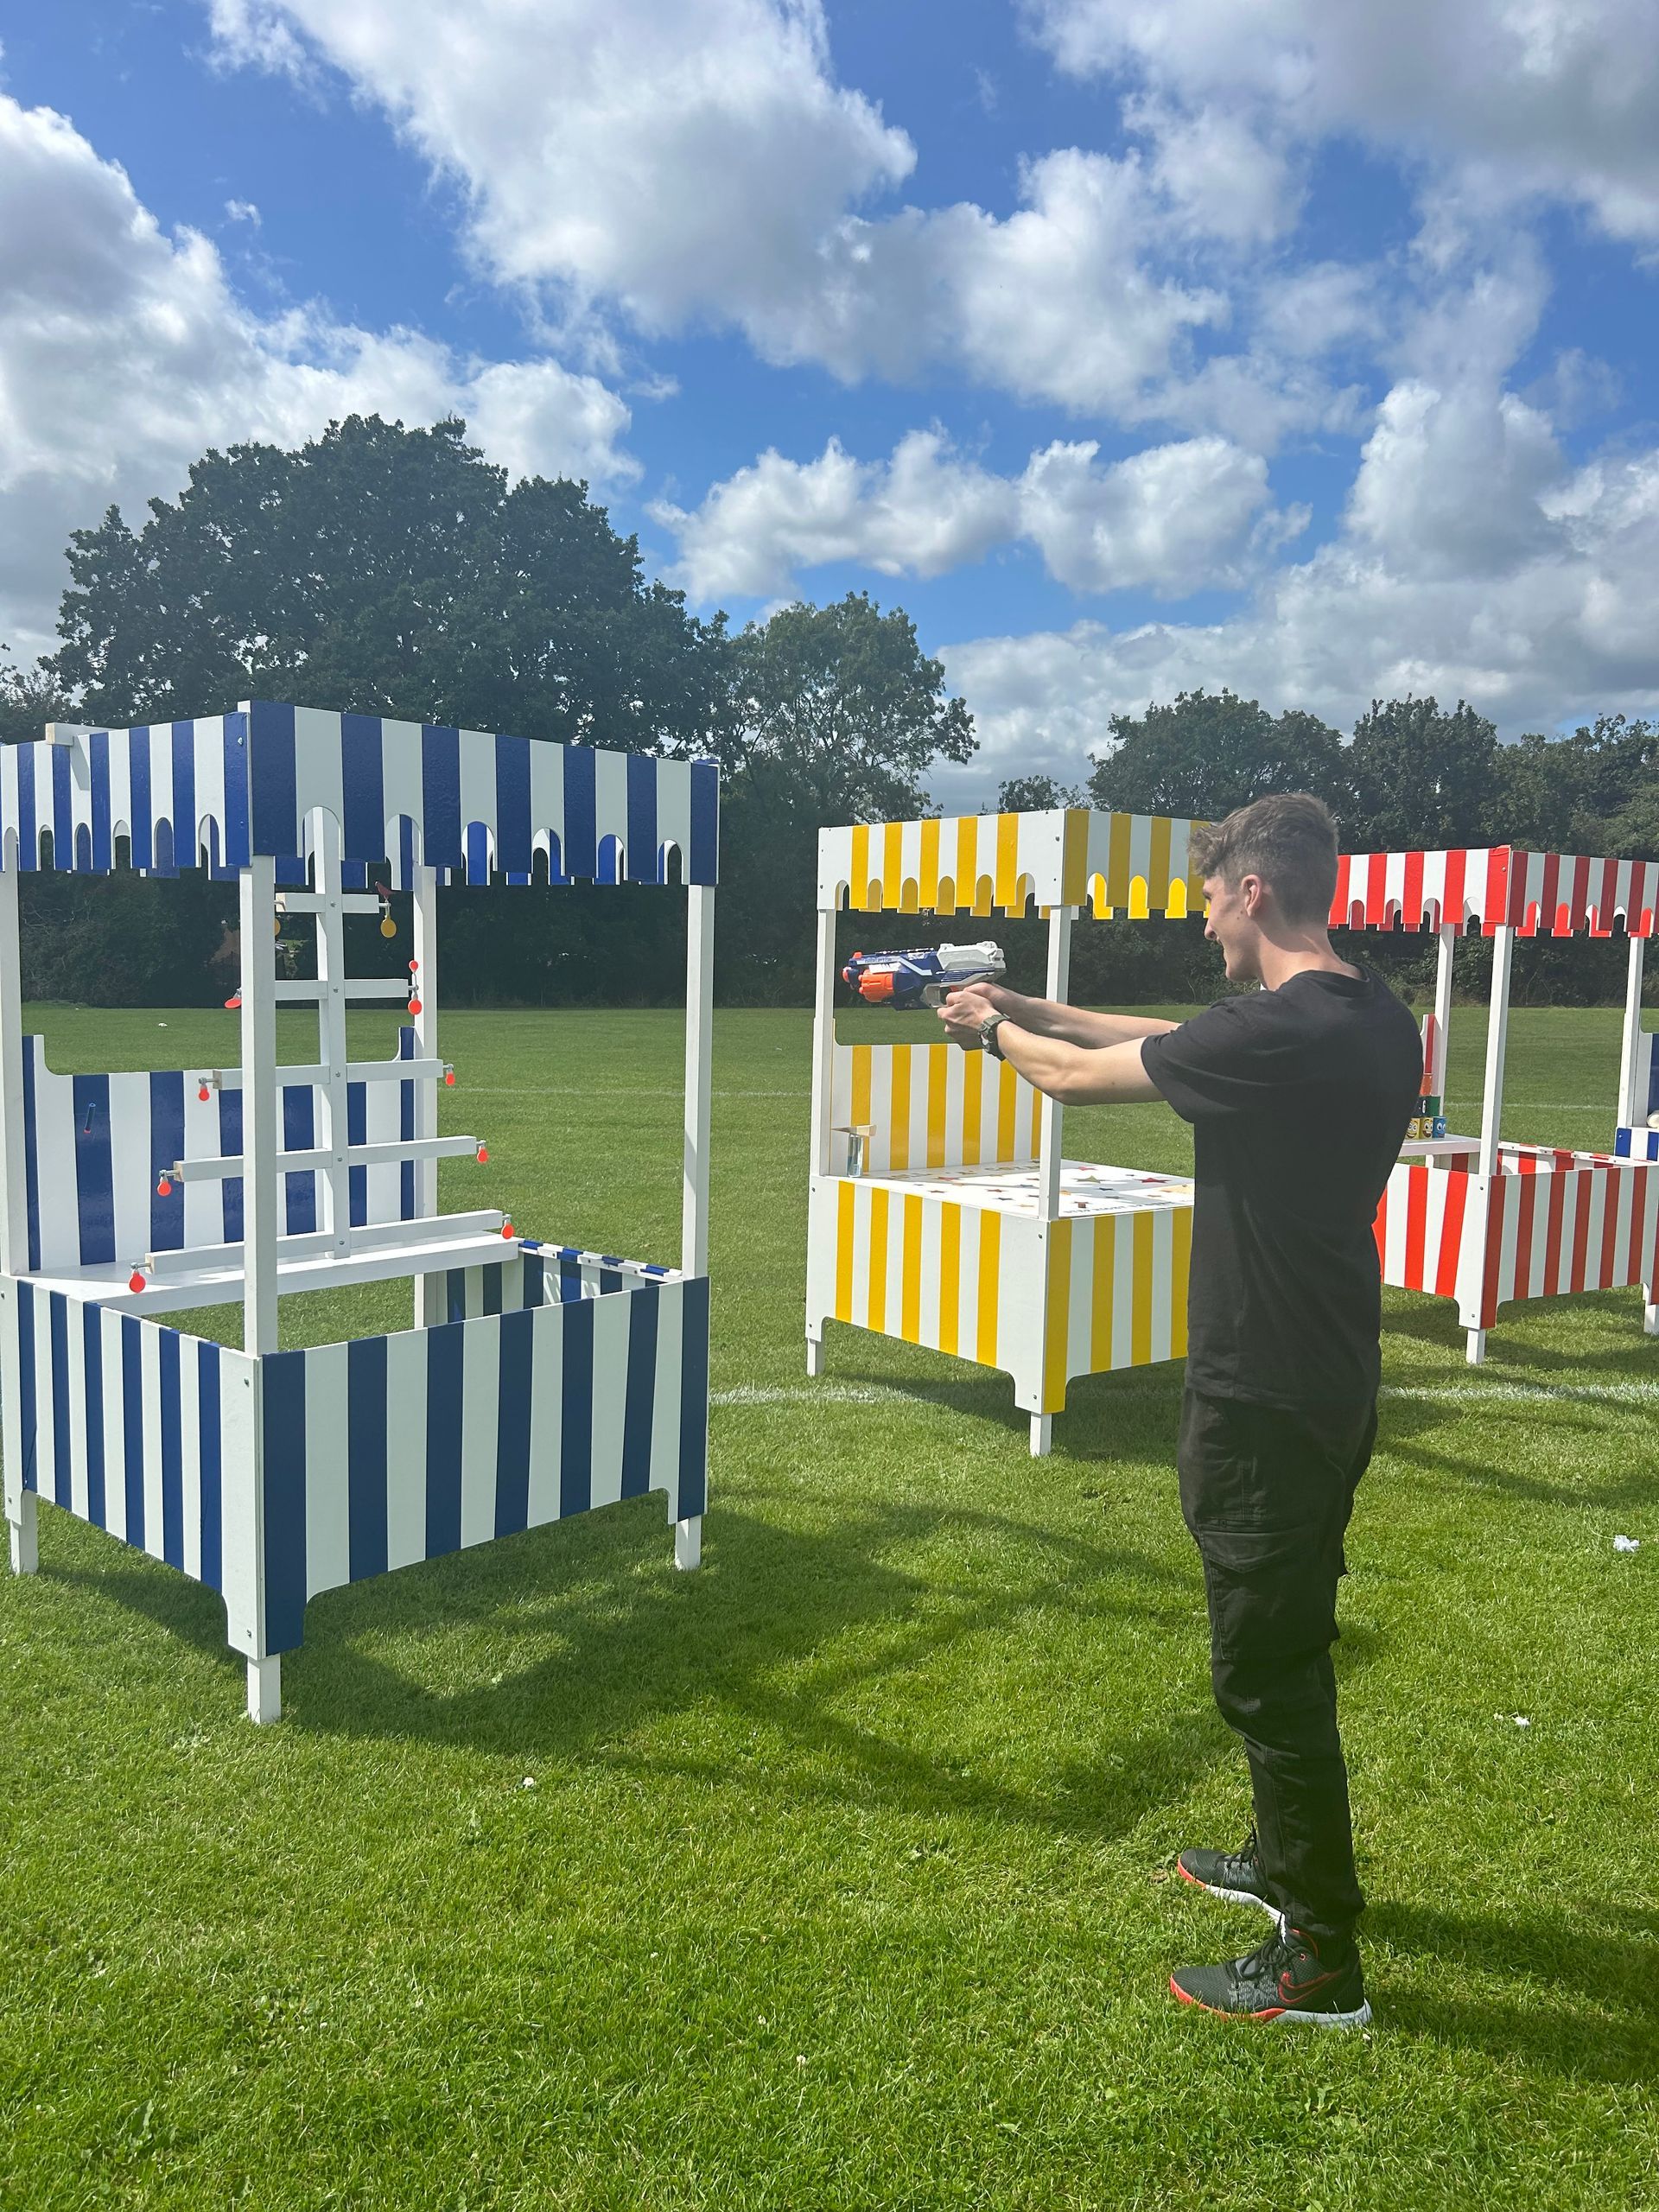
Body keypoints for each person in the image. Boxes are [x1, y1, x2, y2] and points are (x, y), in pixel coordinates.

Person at [937, 792, 1421, 2029]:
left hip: (1265, 1389)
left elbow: (1072, 1080)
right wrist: (1022, 1003)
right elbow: (1156, 1034)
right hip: (1322, 1373)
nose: (1205, 925)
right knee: (1285, 1634)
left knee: (1266, 1672)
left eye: (1209, 902)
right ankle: (1279, 1858)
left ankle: (1320, 1961)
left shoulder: (1283, 1031)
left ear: (1252, 892)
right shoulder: (1362, 1014)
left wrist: (990, 1034)